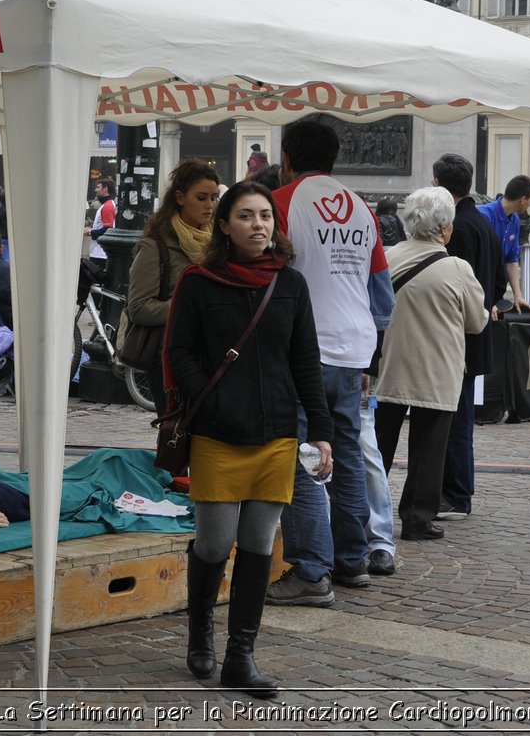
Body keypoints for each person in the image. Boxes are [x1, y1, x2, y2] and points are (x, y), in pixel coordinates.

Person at [164, 180, 331, 698]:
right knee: (215, 541)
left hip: (277, 434)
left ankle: (242, 655)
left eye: (265, 216)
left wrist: (321, 433)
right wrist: (209, 401)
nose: (258, 225)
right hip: (217, 434)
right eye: (245, 216)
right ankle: (199, 633)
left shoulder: (291, 284)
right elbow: (178, 353)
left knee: (259, 544)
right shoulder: (199, 282)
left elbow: (306, 362)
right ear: (224, 225)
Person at [268, 117, 396, 604]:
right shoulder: (362, 209)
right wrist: (367, 349)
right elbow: (381, 295)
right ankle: (352, 559)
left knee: (299, 455)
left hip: (303, 349)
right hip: (354, 348)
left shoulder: (281, 203)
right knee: (343, 452)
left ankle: (310, 570)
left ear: (286, 160)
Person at [372, 187, 489, 541]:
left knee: (378, 447)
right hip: (437, 369)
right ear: (445, 228)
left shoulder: (389, 258)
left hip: (390, 364)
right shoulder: (457, 269)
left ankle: (365, 510)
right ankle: (417, 518)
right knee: (429, 447)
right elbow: (476, 322)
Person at [433, 153, 505, 522]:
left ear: (439, 185)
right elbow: (498, 282)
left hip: (457, 337)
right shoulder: (484, 224)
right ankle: (459, 490)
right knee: (460, 415)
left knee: (456, 417)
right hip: (476, 334)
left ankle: (456, 493)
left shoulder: (457, 229)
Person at [121, 159, 220, 364]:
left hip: (210, 351)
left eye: (214, 197)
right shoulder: (155, 246)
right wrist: (188, 307)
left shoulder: (218, 242)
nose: (209, 205)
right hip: (168, 354)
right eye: (201, 198)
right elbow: (138, 307)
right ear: (180, 197)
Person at [478, 175, 530, 315]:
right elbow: (477, 262)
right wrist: (483, 300)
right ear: (523, 200)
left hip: (496, 290)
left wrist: (518, 295)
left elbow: (511, 259)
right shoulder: (484, 215)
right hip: (478, 290)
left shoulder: (515, 220)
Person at [82, 180, 116, 291]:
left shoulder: (107, 206)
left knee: (96, 288)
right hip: (98, 252)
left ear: (105, 189)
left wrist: (91, 232)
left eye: (98, 187)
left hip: (100, 253)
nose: (96, 189)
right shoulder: (106, 205)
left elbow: (108, 229)